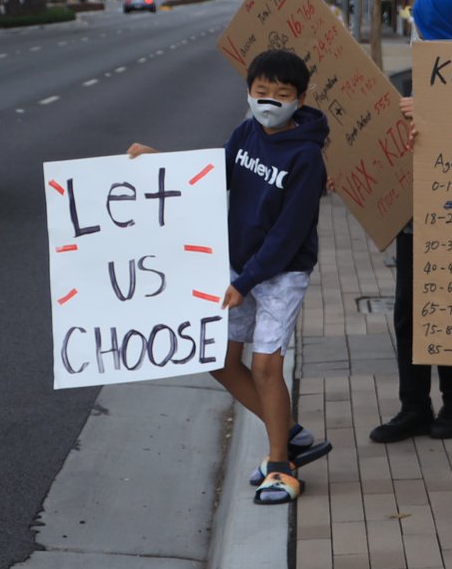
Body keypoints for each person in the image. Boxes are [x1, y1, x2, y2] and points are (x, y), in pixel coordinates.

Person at [126, 48, 334, 506]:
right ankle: (288, 435)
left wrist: (246, 281)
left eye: (282, 94)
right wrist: (158, 164)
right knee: (219, 358)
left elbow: (288, 233)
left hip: (281, 274)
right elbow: (208, 177)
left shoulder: (306, 157)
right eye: (261, 91)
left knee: (265, 365)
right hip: (239, 267)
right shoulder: (245, 133)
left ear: (300, 98)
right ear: (249, 91)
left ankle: (280, 464)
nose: (269, 101)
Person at [374, 0, 452, 443]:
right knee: (408, 313)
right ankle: (413, 405)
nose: (416, 26)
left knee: (450, 310)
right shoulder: (414, 72)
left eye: (421, 17)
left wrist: (434, 113)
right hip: (414, 217)